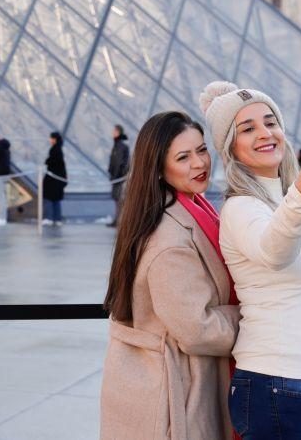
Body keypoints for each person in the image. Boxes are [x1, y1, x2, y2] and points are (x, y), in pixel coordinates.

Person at [199, 81, 301, 439]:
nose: (265, 133)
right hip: (276, 385)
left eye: (270, 122)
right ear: (231, 148)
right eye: (247, 128)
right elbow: (275, 253)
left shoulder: (291, 203)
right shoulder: (241, 207)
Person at [101, 111, 239, 439]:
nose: (200, 163)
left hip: (181, 380)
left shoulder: (189, 207)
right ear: (159, 168)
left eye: (202, 150)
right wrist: (256, 316)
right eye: (183, 157)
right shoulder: (170, 240)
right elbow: (197, 328)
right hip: (181, 393)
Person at [42, 131, 67, 226]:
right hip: (58, 179)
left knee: (49, 198)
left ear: (54, 139)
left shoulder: (54, 150)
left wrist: (47, 161)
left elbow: (52, 162)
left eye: (51, 138)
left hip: (52, 178)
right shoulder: (59, 149)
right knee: (56, 199)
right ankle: (57, 218)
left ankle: (49, 217)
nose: (50, 140)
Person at [107, 125, 130, 227]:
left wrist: (115, 176)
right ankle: (117, 220)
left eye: (114, 131)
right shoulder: (117, 145)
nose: (112, 133)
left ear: (118, 132)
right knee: (118, 199)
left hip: (119, 178)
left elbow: (119, 163)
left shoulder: (120, 146)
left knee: (119, 199)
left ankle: (119, 221)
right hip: (117, 178)